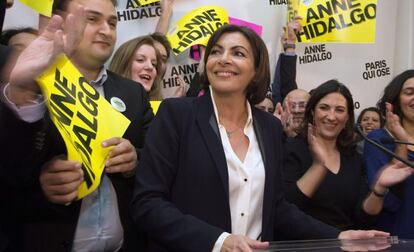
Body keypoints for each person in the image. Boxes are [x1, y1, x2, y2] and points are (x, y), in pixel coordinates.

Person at [131, 25, 388, 252]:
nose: (224, 59)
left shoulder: (269, 128)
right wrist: (218, 242)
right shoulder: (177, 114)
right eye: (216, 51)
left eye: (238, 53)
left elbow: (276, 208)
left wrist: (338, 236)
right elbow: (148, 203)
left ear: (256, 69)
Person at [0, 0, 153, 251]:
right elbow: (11, 170)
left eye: (112, 23)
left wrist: (135, 159)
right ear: (61, 22)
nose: (106, 30)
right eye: (92, 19)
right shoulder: (29, 85)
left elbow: (160, 161)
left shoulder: (133, 93)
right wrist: (42, 188)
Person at [282, 79, 404, 231]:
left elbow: (363, 218)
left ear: (347, 118)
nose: (331, 116)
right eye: (324, 108)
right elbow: (286, 209)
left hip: (346, 245)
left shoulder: (353, 157)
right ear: (312, 111)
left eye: (339, 110)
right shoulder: (292, 148)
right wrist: (319, 166)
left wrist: (379, 189)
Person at [364, 69, 414, 238]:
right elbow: (388, 203)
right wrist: (401, 142)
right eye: (409, 92)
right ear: (396, 100)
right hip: (397, 241)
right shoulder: (379, 140)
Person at [109, 35, 163, 100]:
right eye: (140, 60)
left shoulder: (162, 107)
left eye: (154, 64)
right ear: (123, 65)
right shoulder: (104, 103)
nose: (150, 67)